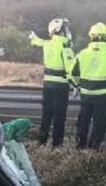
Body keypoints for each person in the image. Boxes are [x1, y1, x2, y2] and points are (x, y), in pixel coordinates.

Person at [70, 23, 106, 150]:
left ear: (91, 37)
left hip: (86, 94)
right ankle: (94, 147)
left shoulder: (82, 54)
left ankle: (80, 145)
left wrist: (76, 85)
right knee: (100, 122)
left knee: (83, 120)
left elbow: (73, 72)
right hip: (103, 94)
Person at [29, 18, 75, 147]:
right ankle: (57, 144)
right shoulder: (66, 45)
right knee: (60, 116)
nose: (67, 31)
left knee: (47, 114)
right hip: (61, 85)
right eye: (65, 29)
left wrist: (33, 37)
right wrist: (76, 83)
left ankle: (42, 141)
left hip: (47, 84)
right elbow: (70, 67)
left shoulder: (48, 43)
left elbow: (38, 42)